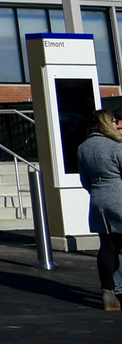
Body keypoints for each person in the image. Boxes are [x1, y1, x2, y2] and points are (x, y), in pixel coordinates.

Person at [78, 104, 122, 311]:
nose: (117, 124)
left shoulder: (83, 147)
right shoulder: (116, 146)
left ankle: (109, 291)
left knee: (107, 246)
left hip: (98, 200)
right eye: (114, 121)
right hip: (119, 197)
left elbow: (84, 180)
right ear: (107, 123)